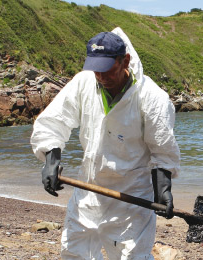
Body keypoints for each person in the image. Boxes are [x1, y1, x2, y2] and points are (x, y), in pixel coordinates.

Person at [30, 27, 181, 259]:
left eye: (107, 70)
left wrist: (163, 191)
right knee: (74, 253)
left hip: (131, 198)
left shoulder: (151, 97)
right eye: (96, 70)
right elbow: (54, 121)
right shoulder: (84, 82)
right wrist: (51, 158)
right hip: (88, 190)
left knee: (131, 257)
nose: (100, 77)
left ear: (125, 61)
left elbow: (162, 148)